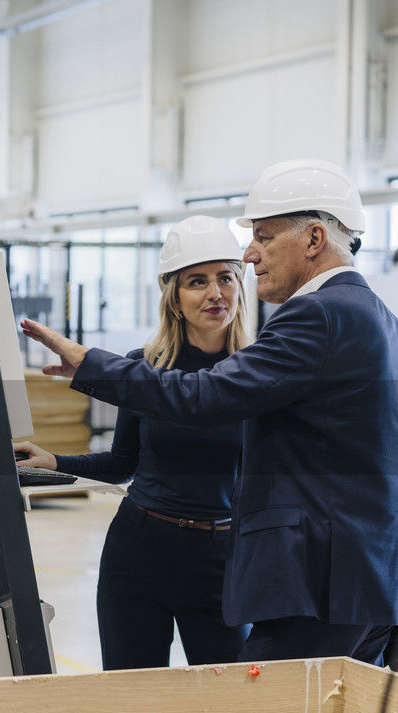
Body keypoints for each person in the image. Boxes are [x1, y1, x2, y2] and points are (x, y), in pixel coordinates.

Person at [21, 159, 398, 667]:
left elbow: (200, 399)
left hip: (317, 596)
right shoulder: (395, 332)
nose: (250, 256)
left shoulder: (316, 315)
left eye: (264, 238)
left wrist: (91, 364)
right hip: (371, 600)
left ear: (314, 239)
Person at [15, 215, 251, 670]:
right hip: (139, 552)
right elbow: (125, 462)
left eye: (225, 278)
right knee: (130, 692)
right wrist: (55, 461)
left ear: (241, 288)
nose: (215, 293)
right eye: (197, 281)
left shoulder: (257, 374)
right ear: (175, 299)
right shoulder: (144, 368)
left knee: (230, 698)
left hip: (221, 560)